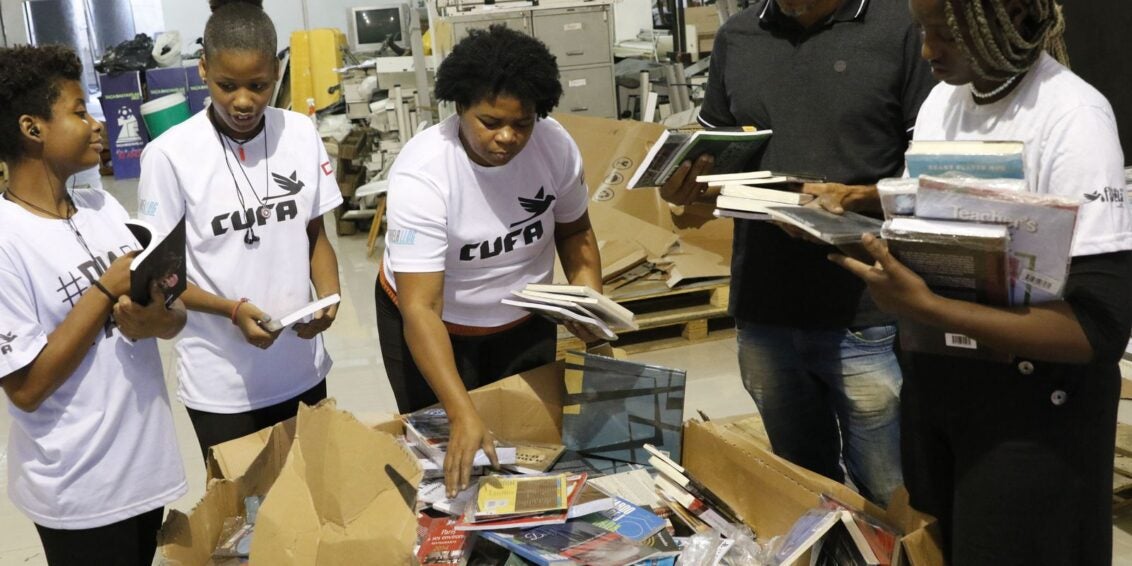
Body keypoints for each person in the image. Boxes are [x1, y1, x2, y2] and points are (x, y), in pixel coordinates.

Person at [832, 0, 1131, 562]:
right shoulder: (944, 100)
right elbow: (934, 229)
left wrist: (924, 306)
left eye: (946, 33)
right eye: (923, 30)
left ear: (1013, 20)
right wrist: (842, 232)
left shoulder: (1072, 117)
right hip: (943, 396)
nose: (926, 50)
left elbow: (1097, 330)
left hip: (1034, 419)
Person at [659, 0, 935, 506]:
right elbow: (716, 157)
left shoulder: (903, 29)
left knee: (890, 492)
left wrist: (852, 196)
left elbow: (933, 173)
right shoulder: (738, 37)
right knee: (803, 491)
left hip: (866, 308)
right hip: (765, 307)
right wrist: (686, 190)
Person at [378, 25, 603, 496]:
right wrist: (461, 412)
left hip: (523, 320)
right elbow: (422, 308)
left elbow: (576, 231)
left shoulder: (555, 147)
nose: (506, 138)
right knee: (450, 460)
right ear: (460, 106)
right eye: (489, 122)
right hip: (437, 326)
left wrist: (589, 298)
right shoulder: (424, 173)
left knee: (526, 453)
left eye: (521, 124)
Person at [0, 44, 188, 565]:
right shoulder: (6, 240)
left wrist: (158, 320)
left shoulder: (102, 207)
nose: (98, 123)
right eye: (80, 112)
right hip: (78, 488)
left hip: (143, 469)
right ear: (32, 128)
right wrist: (104, 290)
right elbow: (27, 388)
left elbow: (173, 317)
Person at [138, 0, 343, 461]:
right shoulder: (170, 156)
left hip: (301, 369)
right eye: (227, 86)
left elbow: (315, 234)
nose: (244, 101)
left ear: (276, 70)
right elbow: (161, 276)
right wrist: (232, 310)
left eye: (259, 85)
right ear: (204, 68)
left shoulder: (300, 133)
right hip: (222, 384)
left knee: (312, 499)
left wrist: (328, 295)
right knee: (243, 521)